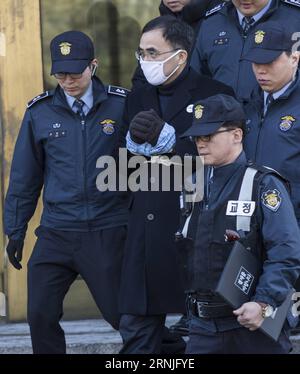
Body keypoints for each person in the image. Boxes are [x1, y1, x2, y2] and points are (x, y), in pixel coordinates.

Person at [4, 30, 130, 354]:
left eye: (75, 71)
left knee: (125, 318)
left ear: (94, 65)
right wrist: (15, 230)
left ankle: (171, 355)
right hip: (57, 231)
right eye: (60, 72)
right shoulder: (40, 113)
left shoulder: (121, 106)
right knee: (40, 314)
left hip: (107, 228)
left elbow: (144, 168)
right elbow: (24, 178)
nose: (67, 79)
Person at [118, 15, 234, 354]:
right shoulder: (136, 97)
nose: (145, 60)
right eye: (141, 53)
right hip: (146, 228)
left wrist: (173, 143)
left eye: (153, 52)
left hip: (196, 226)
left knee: (204, 331)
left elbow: (222, 160)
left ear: (180, 56)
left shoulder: (216, 94)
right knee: (136, 326)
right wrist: (134, 148)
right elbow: (122, 165)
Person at [180, 94, 300, 354]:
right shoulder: (192, 185)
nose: (200, 143)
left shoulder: (264, 184)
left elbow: (286, 251)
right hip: (204, 327)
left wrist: (263, 303)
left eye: (208, 136)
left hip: (254, 324)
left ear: (236, 135)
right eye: (196, 137)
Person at [241, 21, 300, 327]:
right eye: (256, 63)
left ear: (295, 57)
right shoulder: (246, 102)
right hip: (254, 232)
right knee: (259, 322)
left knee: (283, 327)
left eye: (270, 62)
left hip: (293, 233)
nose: (261, 70)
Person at [190, 0, 300, 100]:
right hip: (221, 117)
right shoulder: (212, 22)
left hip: (280, 116)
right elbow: (196, 78)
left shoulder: (295, 19)